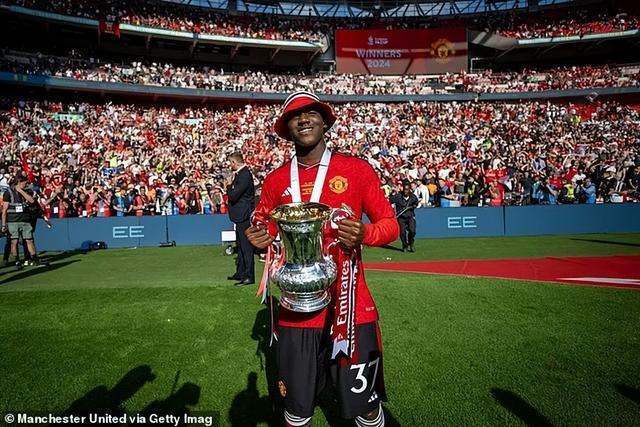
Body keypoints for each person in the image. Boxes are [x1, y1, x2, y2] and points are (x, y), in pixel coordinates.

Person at [245, 91, 399, 427]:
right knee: (296, 410)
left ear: (325, 122)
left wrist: (365, 233)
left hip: (352, 306)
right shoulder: (275, 180)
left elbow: (390, 225)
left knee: (366, 408)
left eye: (311, 113)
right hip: (296, 312)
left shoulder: (356, 170)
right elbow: (264, 226)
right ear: (286, 128)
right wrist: (259, 238)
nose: (303, 119)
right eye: (295, 116)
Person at [226, 152, 256, 286]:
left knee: (245, 246)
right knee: (240, 246)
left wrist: (229, 186)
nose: (230, 165)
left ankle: (249, 275)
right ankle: (241, 272)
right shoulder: (240, 174)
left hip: (244, 215)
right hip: (240, 215)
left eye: (230, 162)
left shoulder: (244, 175)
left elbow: (233, 195)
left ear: (234, 162)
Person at [1, 172, 40, 268]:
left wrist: (21, 191)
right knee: (14, 241)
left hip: (25, 220)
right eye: (25, 183)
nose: (26, 185)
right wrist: (4, 224)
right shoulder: (8, 192)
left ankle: (35, 259)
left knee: (29, 240)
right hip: (13, 221)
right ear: (19, 182)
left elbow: (32, 201)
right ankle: (17, 260)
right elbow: (4, 210)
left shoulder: (26, 191)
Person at [391, 180, 418, 252]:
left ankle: (411, 243)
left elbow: (416, 203)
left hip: (410, 216)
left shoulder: (413, 197)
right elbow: (389, 201)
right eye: (405, 189)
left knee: (412, 231)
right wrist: (392, 193)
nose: (406, 191)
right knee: (402, 233)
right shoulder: (397, 197)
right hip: (401, 217)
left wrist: (414, 206)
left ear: (409, 189)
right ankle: (404, 245)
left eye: (407, 190)